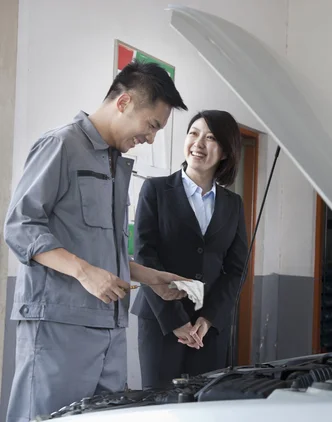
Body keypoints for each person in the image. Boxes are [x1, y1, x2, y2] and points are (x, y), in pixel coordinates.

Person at [3, 61, 190, 422]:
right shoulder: (61, 145)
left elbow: (104, 248)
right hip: (60, 329)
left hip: (110, 332)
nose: (151, 138)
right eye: (151, 125)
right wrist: (84, 272)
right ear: (123, 103)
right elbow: (20, 226)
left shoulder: (115, 164)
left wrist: (153, 279)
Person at [130, 110, 249, 389]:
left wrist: (208, 319)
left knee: (204, 403)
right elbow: (145, 254)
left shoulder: (233, 204)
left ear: (224, 152)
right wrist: (175, 321)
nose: (198, 143)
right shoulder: (155, 190)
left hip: (209, 326)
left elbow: (236, 268)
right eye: (193, 133)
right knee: (160, 403)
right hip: (161, 320)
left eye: (210, 138)